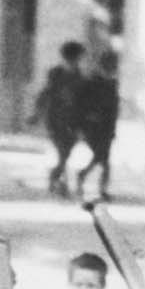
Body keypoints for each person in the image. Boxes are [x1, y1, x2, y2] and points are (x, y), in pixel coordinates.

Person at [36, 44, 88, 198]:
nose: (78, 61)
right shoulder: (55, 74)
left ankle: (55, 177)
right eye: (77, 57)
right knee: (62, 152)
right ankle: (60, 181)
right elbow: (46, 93)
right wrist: (37, 112)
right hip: (56, 119)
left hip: (73, 121)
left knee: (66, 153)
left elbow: (83, 101)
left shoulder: (80, 77)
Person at [72, 58, 121, 203]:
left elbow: (113, 111)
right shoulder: (91, 84)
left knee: (104, 159)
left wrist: (113, 130)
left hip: (106, 129)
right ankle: (87, 179)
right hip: (92, 127)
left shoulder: (112, 85)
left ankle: (99, 187)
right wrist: (81, 123)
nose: (110, 71)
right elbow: (79, 104)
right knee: (101, 157)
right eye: (108, 68)